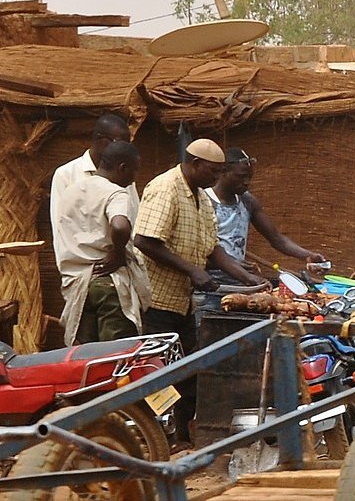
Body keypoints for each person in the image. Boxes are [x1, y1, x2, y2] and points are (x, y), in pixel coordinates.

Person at [136, 139, 252, 437]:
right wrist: (192, 270)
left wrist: (247, 279)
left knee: (190, 371)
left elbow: (213, 249)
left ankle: (185, 436)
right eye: (213, 172)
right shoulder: (166, 189)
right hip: (157, 300)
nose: (216, 179)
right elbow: (145, 241)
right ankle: (153, 437)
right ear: (195, 164)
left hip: (183, 302)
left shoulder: (200, 197)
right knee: (154, 372)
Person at [54, 137, 146, 343]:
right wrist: (118, 253)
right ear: (122, 168)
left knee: (87, 360)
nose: (134, 178)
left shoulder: (71, 191)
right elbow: (120, 225)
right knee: (115, 359)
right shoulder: (116, 193)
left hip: (78, 286)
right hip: (108, 284)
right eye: (135, 170)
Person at [210, 151, 328, 281]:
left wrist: (308, 256)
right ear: (224, 171)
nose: (246, 182)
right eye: (241, 176)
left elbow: (277, 239)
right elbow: (203, 250)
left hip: (239, 279)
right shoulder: (206, 201)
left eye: (249, 177)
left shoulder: (247, 201)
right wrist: (238, 269)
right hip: (210, 280)